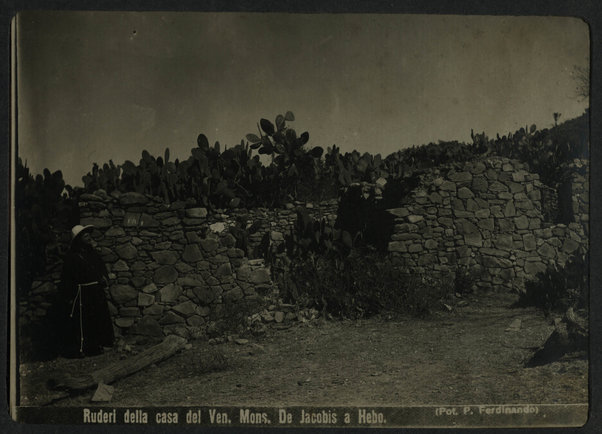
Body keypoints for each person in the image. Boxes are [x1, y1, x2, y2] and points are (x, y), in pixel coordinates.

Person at [58, 224, 114, 357]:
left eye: (89, 234)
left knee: (99, 318)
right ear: (78, 239)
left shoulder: (92, 252)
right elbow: (67, 277)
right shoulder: (72, 256)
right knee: (86, 322)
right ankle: (88, 348)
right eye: (85, 235)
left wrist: (104, 277)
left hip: (96, 291)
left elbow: (101, 267)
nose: (88, 237)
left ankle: (101, 344)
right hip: (83, 294)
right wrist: (69, 295)